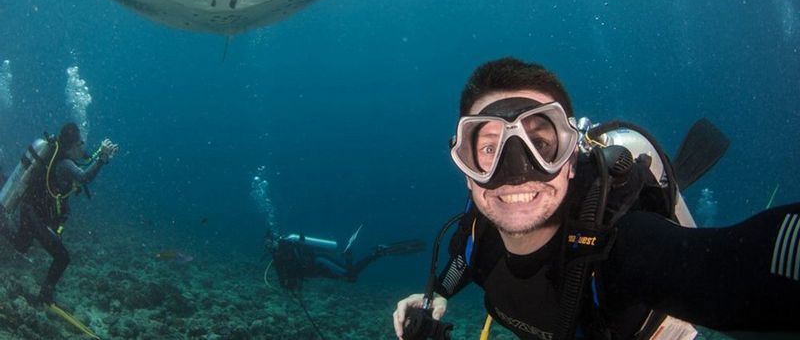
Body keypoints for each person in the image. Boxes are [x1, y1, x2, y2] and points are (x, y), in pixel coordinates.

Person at [393, 57, 800, 339]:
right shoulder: (476, 234)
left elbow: (740, 270)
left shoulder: (624, 247)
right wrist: (437, 297)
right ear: (466, 172)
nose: (515, 171)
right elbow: (460, 264)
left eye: (540, 143)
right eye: (488, 149)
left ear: (572, 160)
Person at [0, 122, 118, 305]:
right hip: (33, 212)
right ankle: (45, 296)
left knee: (21, 244)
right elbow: (84, 177)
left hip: (30, 207)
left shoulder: (63, 155)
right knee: (62, 257)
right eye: (80, 143)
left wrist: (101, 155)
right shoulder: (64, 164)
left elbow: (86, 160)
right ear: (71, 147)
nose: (84, 145)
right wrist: (102, 159)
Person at [265, 229, 425, 291]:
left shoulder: (287, 245)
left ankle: (375, 252)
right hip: (318, 271)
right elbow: (285, 276)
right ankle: (377, 253)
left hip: (321, 262)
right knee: (351, 279)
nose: (269, 246)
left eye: (269, 242)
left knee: (351, 275)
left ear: (274, 240)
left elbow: (299, 264)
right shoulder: (277, 256)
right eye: (266, 245)